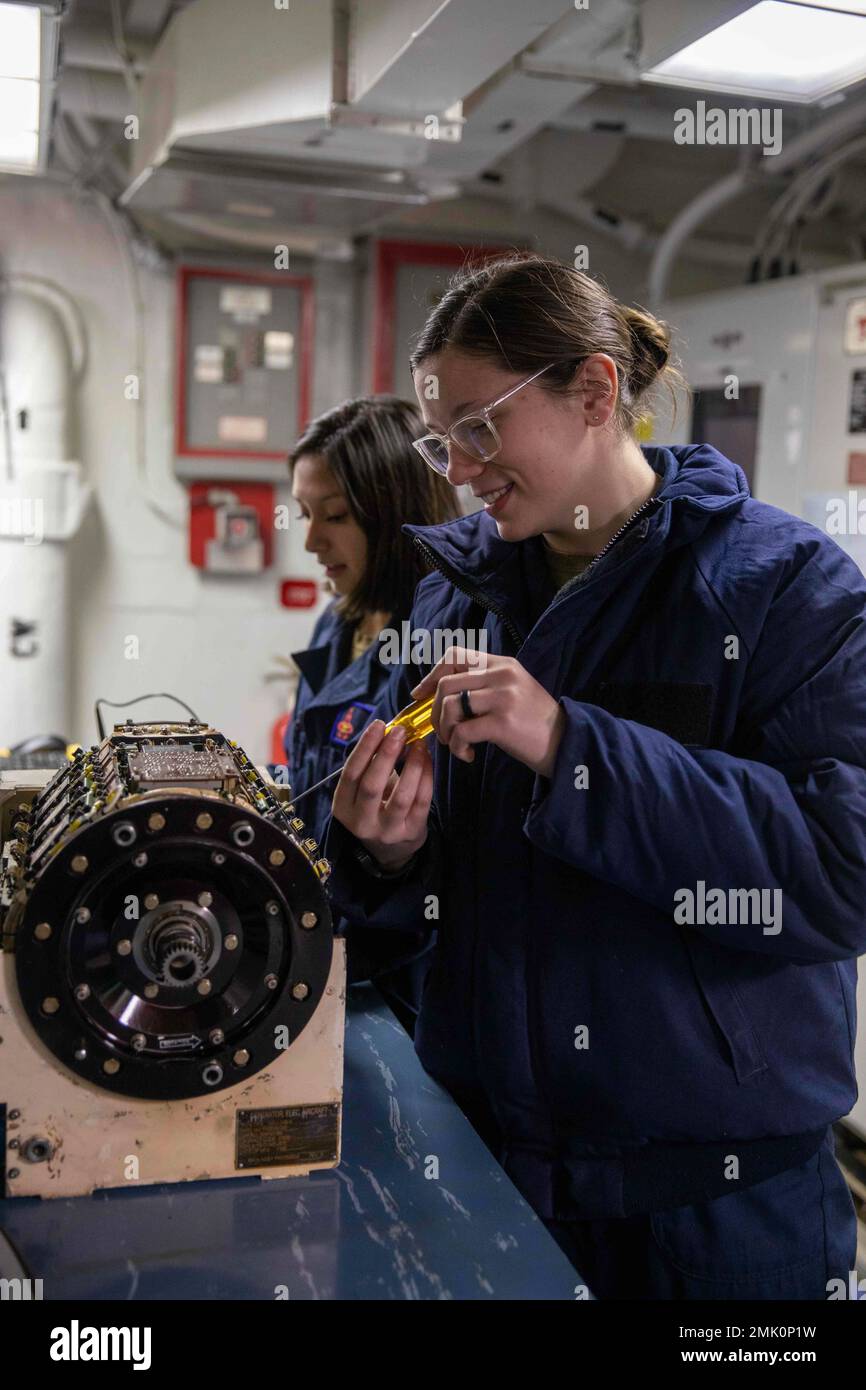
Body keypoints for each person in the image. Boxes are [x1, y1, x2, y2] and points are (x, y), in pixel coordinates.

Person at [323, 253, 865, 1300]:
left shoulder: (786, 590)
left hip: (714, 1210)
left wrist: (574, 747)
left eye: (479, 428)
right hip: (494, 1171)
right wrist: (385, 851)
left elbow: (838, 871)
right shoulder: (459, 594)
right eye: (442, 441)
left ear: (594, 391)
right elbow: (429, 903)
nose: (460, 469)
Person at [286, 395, 460, 1033]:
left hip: (400, 985)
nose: (310, 539)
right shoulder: (338, 623)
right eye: (305, 514)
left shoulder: (441, 647)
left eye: (333, 515)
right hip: (320, 955)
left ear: (394, 516)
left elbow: (435, 854)